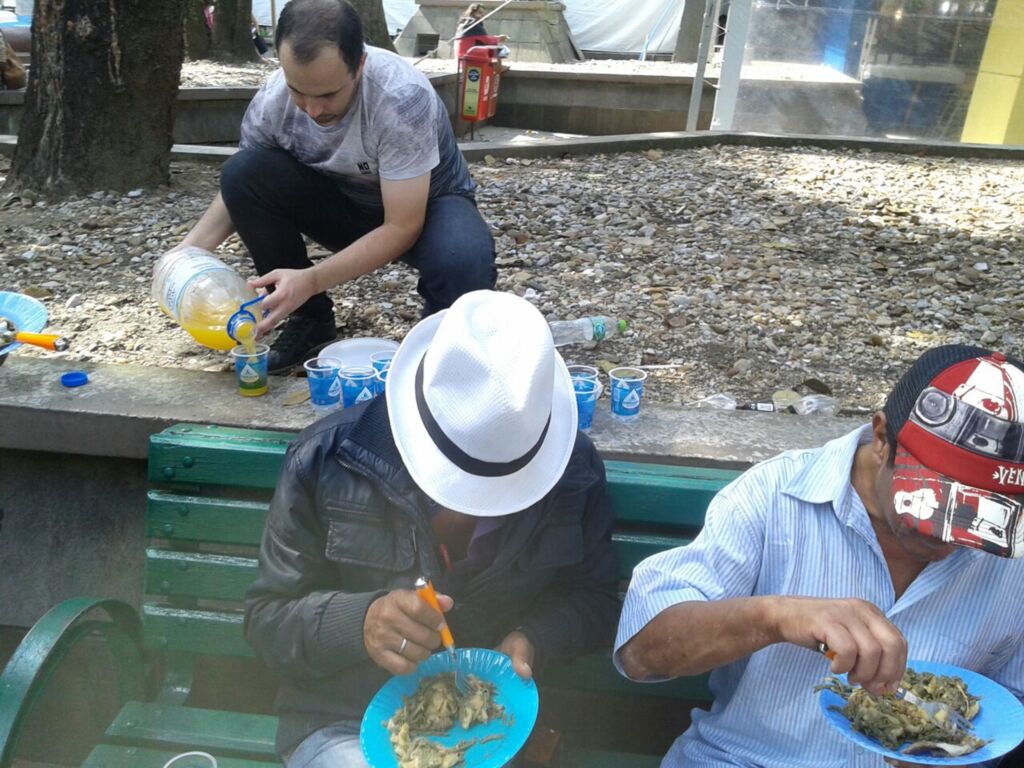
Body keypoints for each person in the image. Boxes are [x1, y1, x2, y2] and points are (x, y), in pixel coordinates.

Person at [245, 290, 619, 767]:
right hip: (344, 721)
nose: (467, 503)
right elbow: (266, 621)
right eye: (457, 476)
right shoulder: (326, 458)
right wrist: (359, 623)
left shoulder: (573, 469)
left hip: (495, 730)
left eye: (498, 485)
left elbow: (596, 599)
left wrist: (534, 638)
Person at [614, 344, 1024, 767]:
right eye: (932, 506)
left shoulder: (1016, 557)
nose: (949, 537)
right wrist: (774, 616)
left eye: (983, 519)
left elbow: (1011, 709)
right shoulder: (775, 494)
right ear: (882, 438)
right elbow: (641, 655)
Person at [180, 0, 496, 373]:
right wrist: (184, 257)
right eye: (299, 90)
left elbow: (402, 225)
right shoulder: (272, 101)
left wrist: (311, 279)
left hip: (427, 206)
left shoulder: (400, 98)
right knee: (243, 170)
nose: (313, 110)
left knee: (463, 260)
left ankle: (442, 348)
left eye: (328, 94)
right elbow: (242, 188)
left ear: (359, 65)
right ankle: (309, 321)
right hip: (342, 203)